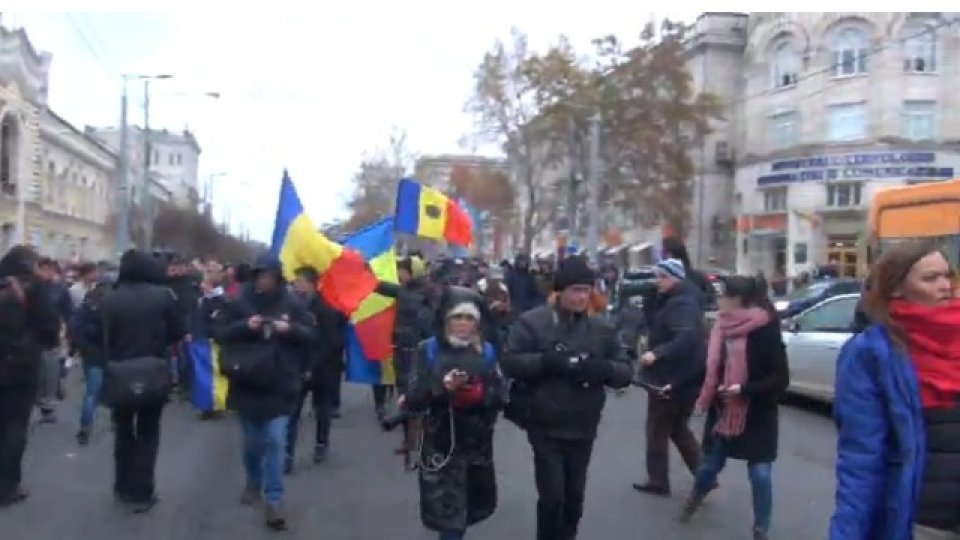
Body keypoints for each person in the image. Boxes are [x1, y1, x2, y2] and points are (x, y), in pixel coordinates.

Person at [829, 240, 960, 540]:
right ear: (897, 288)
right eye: (931, 278)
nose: (946, 285)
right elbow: (862, 460)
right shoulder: (871, 353)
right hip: (925, 522)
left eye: (947, 275)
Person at [503, 256, 633, 540]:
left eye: (585, 290)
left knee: (574, 497)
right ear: (559, 291)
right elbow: (510, 362)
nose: (580, 297)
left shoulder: (601, 329)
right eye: (574, 290)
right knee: (553, 497)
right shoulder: (533, 323)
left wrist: (603, 369)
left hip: (583, 423)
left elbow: (625, 371)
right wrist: (547, 362)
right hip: (544, 422)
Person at [677, 276, 789, 540]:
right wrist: (677, 385)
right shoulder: (720, 328)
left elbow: (780, 378)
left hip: (757, 413)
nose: (719, 300)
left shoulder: (766, 328)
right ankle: (695, 497)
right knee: (709, 467)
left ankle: (761, 530)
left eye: (724, 295)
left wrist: (744, 389)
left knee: (760, 474)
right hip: (724, 412)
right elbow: (709, 370)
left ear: (739, 300)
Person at [214, 254, 315, 531]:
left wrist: (289, 328)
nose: (265, 281)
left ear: (278, 278)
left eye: (270, 277)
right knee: (253, 443)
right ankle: (253, 482)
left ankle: (274, 501)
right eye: (261, 276)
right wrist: (244, 326)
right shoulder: (239, 302)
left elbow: (310, 334)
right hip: (247, 381)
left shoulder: (291, 303)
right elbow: (219, 332)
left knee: (275, 441)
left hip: (280, 383)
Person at [405, 286, 506, 540]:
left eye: (469, 318)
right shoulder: (427, 350)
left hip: (476, 446)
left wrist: (479, 393)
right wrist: (442, 388)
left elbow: (502, 396)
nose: (463, 324)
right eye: (457, 317)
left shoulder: (488, 351)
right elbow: (413, 398)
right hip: (440, 444)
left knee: (466, 513)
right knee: (449, 521)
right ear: (446, 319)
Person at [99, 249, 185, 513]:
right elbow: (178, 332)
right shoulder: (163, 297)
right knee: (149, 432)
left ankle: (122, 486)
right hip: (153, 369)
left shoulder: (110, 299)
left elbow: (104, 338)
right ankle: (142, 492)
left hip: (120, 371)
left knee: (123, 431)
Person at [634, 258, 706, 497]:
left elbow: (686, 337)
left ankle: (658, 480)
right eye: (657, 276)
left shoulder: (681, 304)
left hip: (672, 376)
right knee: (677, 428)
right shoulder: (678, 300)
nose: (658, 282)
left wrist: (657, 353)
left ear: (676, 277)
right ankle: (704, 474)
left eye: (663, 277)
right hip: (682, 376)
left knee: (657, 428)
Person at [0, 246, 60, 507]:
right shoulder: (35, 288)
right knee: (15, 426)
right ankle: (7, 487)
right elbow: (50, 330)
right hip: (20, 367)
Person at [285, 266, 342, 472]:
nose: (297, 284)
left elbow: (331, 342)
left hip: (321, 368)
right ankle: (287, 453)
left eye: (300, 281)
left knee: (321, 408)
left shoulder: (325, 307)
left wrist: (313, 366)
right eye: (296, 281)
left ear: (312, 284)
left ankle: (321, 443)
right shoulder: (291, 306)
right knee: (292, 412)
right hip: (297, 366)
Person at [69, 275, 115, 445]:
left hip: (92, 355)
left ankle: (85, 427)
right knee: (115, 389)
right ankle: (116, 421)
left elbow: (75, 327)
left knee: (91, 394)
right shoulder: (115, 303)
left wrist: (82, 348)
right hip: (112, 354)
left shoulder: (89, 302)